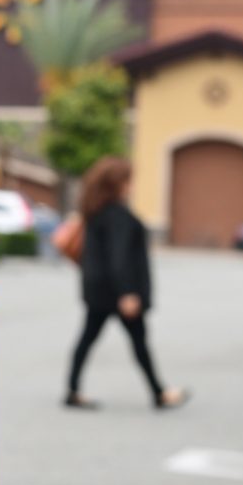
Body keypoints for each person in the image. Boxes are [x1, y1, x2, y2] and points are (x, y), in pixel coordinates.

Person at [64, 156, 190, 411]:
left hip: (98, 290)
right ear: (116, 183)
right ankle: (159, 392)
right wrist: (128, 292)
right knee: (138, 341)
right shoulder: (117, 215)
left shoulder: (96, 212)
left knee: (89, 338)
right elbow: (119, 257)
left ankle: (73, 390)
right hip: (117, 292)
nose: (131, 185)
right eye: (128, 180)